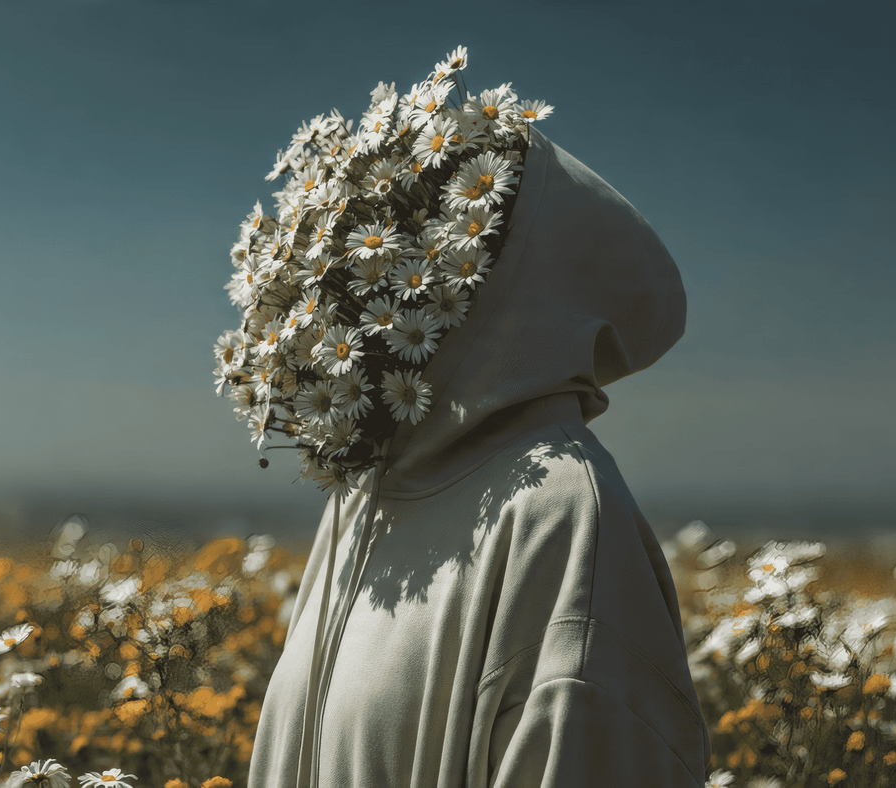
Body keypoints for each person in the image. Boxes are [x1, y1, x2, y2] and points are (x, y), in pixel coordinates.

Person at [247, 126, 711, 788]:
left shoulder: (561, 512)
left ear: (516, 273)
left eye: (443, 208)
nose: (400, 238)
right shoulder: (366, 490)